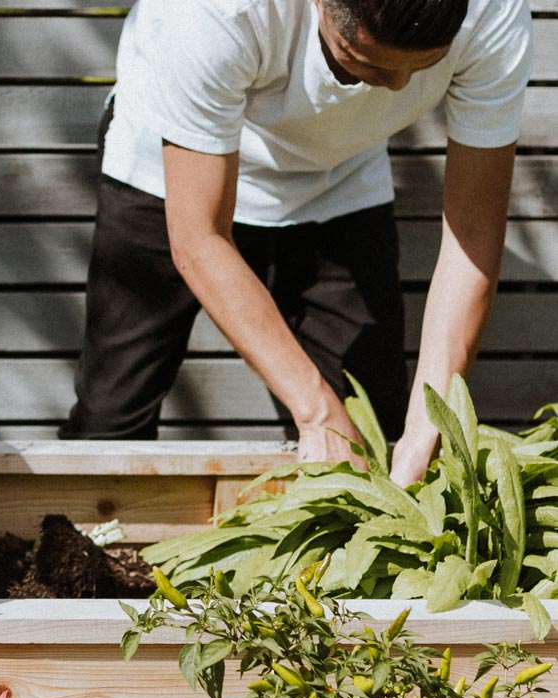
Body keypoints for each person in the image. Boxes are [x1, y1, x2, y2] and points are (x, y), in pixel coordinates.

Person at [59, 0, 532, 485]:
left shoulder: (493, 10)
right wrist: (315, 411)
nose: (397, 88)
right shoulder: (214, 12)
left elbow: (472, 231)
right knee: (111, 421)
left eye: (425, 65)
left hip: (338, 177)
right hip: (167, 171)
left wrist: (430, 424)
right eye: (366, 63)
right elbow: (199, 239)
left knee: (372, 433)